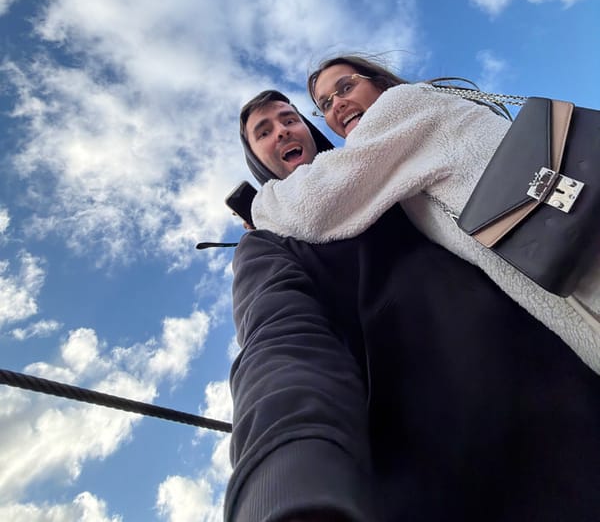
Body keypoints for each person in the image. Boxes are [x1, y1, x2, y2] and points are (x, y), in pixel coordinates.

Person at [225, 79, 600, 522]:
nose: (283, 131)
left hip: (573, 386)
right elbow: (281, 341)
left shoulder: (395, 175)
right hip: (457, 470)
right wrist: (287, 476)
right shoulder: (272, 244)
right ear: (256, 158)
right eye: (264, 131)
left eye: (289, 119)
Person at [251, 55, 600, 374]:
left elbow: (313, 206)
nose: (337, 103)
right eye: (325, 104)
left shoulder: (398, 107)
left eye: (346, 86)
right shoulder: (404, 146)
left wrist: (260, 204)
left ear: (379, 84)